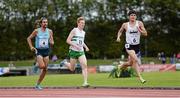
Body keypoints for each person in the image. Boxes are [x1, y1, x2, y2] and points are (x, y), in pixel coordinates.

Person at [116, 10, 147, 83]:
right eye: (131, 15)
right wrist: (118, 37)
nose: (133, 16)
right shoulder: (125, 25)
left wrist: (141, 31)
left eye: (134, 15)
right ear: (129, 17)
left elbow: (145, 33)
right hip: (128, 45)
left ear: (136, 16)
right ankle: (141, 78)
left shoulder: (139, 23)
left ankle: (120, 66)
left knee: (130, 63)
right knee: (136, 60)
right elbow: (120, 31)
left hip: (137, 45)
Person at [60, 17, 90, 87]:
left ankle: (85, 82)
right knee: (72, 69)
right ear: (78, 23)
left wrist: (86, 47)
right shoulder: (74, 30)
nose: (83, 24)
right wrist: (75, 45)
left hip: (81, 51)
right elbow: (68, 40)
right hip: (73, 51)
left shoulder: (83, 32)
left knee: (84, 66)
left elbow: (81, 42)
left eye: (84, 23)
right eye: (82, 23)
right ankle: (64, 62)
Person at [27, 17, 54, 90]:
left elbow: (52, 41)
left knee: (45, 69)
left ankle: (37, 84)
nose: (45, 23)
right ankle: (37, 65)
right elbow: (29, 38)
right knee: (42, 66)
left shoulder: (50, 31)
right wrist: (31, 47)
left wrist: (51, 42)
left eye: (46, 22)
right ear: (41, 23)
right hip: (38, 51)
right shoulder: (36, 31)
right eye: (44, 22)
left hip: (46, 51)